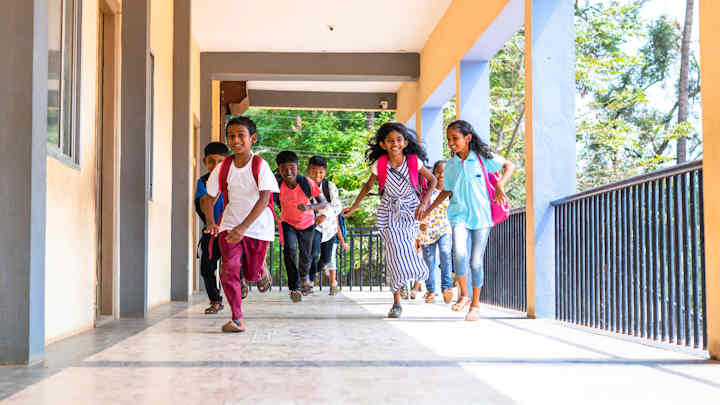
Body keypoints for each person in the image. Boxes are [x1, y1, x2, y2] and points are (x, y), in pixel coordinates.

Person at [422, 120, 515, 321]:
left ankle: (475, 305)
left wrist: (500, 185)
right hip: (459, 215)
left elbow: (509, 165)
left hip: (482, 216)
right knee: (459, 253)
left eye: (455, 138)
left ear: (468, 138)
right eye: (448, 139)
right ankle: (464, 295)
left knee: (475, 262)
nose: (451, 143)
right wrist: (428, 209)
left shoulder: (482, 158)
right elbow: (447, 189)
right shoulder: (453, 164)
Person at [343, 122, 436, 318]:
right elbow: (368, 186)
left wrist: (423, 203)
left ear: (405, 142)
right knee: (393, 250)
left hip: (410, 208)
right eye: (390, 140)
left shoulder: (413, 161)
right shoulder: (381, 164)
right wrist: (354, 206)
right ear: (383, 144)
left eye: (398, 140)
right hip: (388, 209)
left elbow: (433, 181)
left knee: (406, 246)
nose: (394, 143)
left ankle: (406, 279)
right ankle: (396, 302)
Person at [201, 116, 279, 333]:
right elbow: (208, 197)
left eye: (240, 136)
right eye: (231, 136)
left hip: (257, 228)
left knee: (251, 274)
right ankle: (237, 318)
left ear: (252, 138)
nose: (235, 140)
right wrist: (211, 222)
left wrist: (244, 228)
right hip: (229, 225)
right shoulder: (224, 166)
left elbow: (265, 199)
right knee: (229, 269)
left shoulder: (260, 165)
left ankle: (260, 272)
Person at [275, 151, 328, 302]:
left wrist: (309, 207)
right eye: (284, 169)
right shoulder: (277, 184)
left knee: (306, 255)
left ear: (297, 168)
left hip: (307, 224)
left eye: (292, 168)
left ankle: (304, 277)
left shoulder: (306, 183)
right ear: (279, 170)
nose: (288, 172)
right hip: (288, 223)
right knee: (290, 251)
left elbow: (323, 202)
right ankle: (294, 287)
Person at [194, 142, 232, 314]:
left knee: (232, 267)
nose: (216, 166)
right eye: (211, 161)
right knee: (207, 268)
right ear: (204, 162)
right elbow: (202, 202)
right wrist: (210, 223)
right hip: (211, 232)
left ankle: (243, 285)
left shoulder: (233, 181)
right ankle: (215, 300)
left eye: (220, 162)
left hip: (231, 232)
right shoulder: (202, 181)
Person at [307, 156, 346, 296]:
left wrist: (324, 214)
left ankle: (313, 272)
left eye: (321, 172)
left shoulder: (329, 186)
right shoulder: (304, 186)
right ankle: (309, 281)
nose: (317, 175)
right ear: (308, 170)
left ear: (325, 172)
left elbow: (337, 206)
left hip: (329, 228)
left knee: (326, 259)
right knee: (313, 253)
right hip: (313, 226)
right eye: (314, 171)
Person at [417, 160, 453, 304]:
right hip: (427, 232)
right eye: (438, 172)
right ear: (433, 174)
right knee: (429, 262)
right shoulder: (427, 191)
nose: (441, 175)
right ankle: (431, 290)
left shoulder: (450, 191)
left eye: (445, 172)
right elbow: (417, 208)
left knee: (445, 254)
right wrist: (420, 223)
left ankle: (446, 288)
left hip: (444, 228)